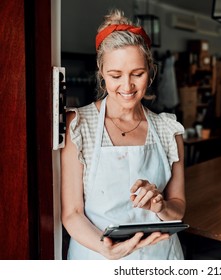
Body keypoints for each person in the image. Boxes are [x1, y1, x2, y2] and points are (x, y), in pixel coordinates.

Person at [61, 8, 186, 260]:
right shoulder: (79, 124)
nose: (127, 86)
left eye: (137, 74)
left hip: (160, 258)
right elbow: (72, 213)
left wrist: (161, 206)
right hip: (96, 257)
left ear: (150, 71)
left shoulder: (167, 129)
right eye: (115, 75)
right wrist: (103, 246)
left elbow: (178, 207)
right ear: (101, 73)